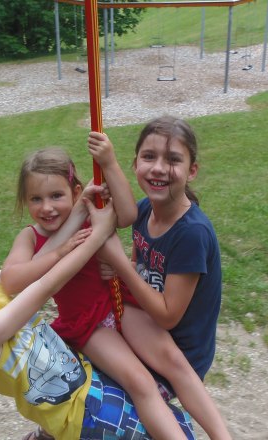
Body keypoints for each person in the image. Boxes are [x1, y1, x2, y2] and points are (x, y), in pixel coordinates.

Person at [0, 199, 195, 439]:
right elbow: (43, 286)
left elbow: (36, 265)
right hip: (80, 419)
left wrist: (81, 212)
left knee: (167, 420)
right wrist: (97, 237)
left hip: (87, 380)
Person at [2, 139, 230, 439]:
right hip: (90, 323)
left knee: (176, 363)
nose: (46, 207)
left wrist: (108, 162)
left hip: (120, 301)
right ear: (25, 201)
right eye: (35, 199)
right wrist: (60, 253)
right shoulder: (30, 237)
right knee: (139, 383)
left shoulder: (88, 211)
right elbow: (12, 281)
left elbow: (127, 215)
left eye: (56, 195)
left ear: (75, 191)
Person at [96, 116, 226, 436]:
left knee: (119, 399)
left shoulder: (192, 234)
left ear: (191, 170)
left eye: (173, 159)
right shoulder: (143, 211)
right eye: (149, 157)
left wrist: (120, 267)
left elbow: (168, 315)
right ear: (135, 163)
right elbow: (141, 268)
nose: (158, 168)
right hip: (149, 333)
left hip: (179, 356)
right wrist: (119, 266)